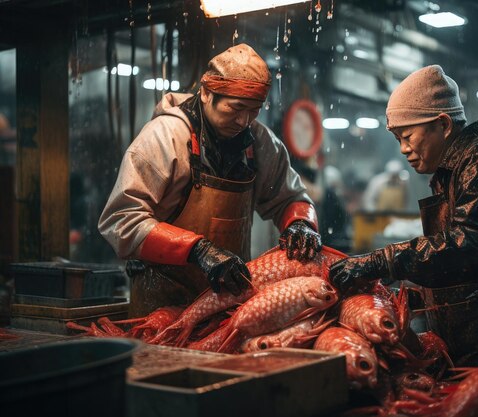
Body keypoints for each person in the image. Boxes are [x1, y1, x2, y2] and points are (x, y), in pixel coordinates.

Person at [329, 65, 478, 367]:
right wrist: (415, 298)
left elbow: (472, 247)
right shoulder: (458, 165)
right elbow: (476, 272)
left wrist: (382, 261)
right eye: (398, 139)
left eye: (408, 136)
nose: (403, 149)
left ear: (443, 124)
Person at [99, 44, 321, 317]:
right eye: (236, 108)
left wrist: (301, 223)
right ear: (206, 93)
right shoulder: (164, 138)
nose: (243, 121)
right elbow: (121, 220)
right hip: (161, 303)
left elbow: (291, 198)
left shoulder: (261, 143)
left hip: (229, 302)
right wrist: (198, 251)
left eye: (254, 110)